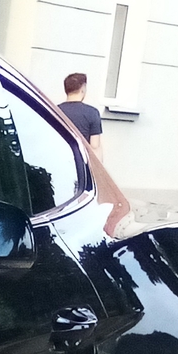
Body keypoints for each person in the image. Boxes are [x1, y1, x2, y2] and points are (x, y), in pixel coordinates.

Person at [58, 71, 131, 235]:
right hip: (81, 167)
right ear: (83, 89)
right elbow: (95, 145)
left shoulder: (56, 111)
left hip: (60, 164)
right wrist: (99, 172)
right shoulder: (92, 113)